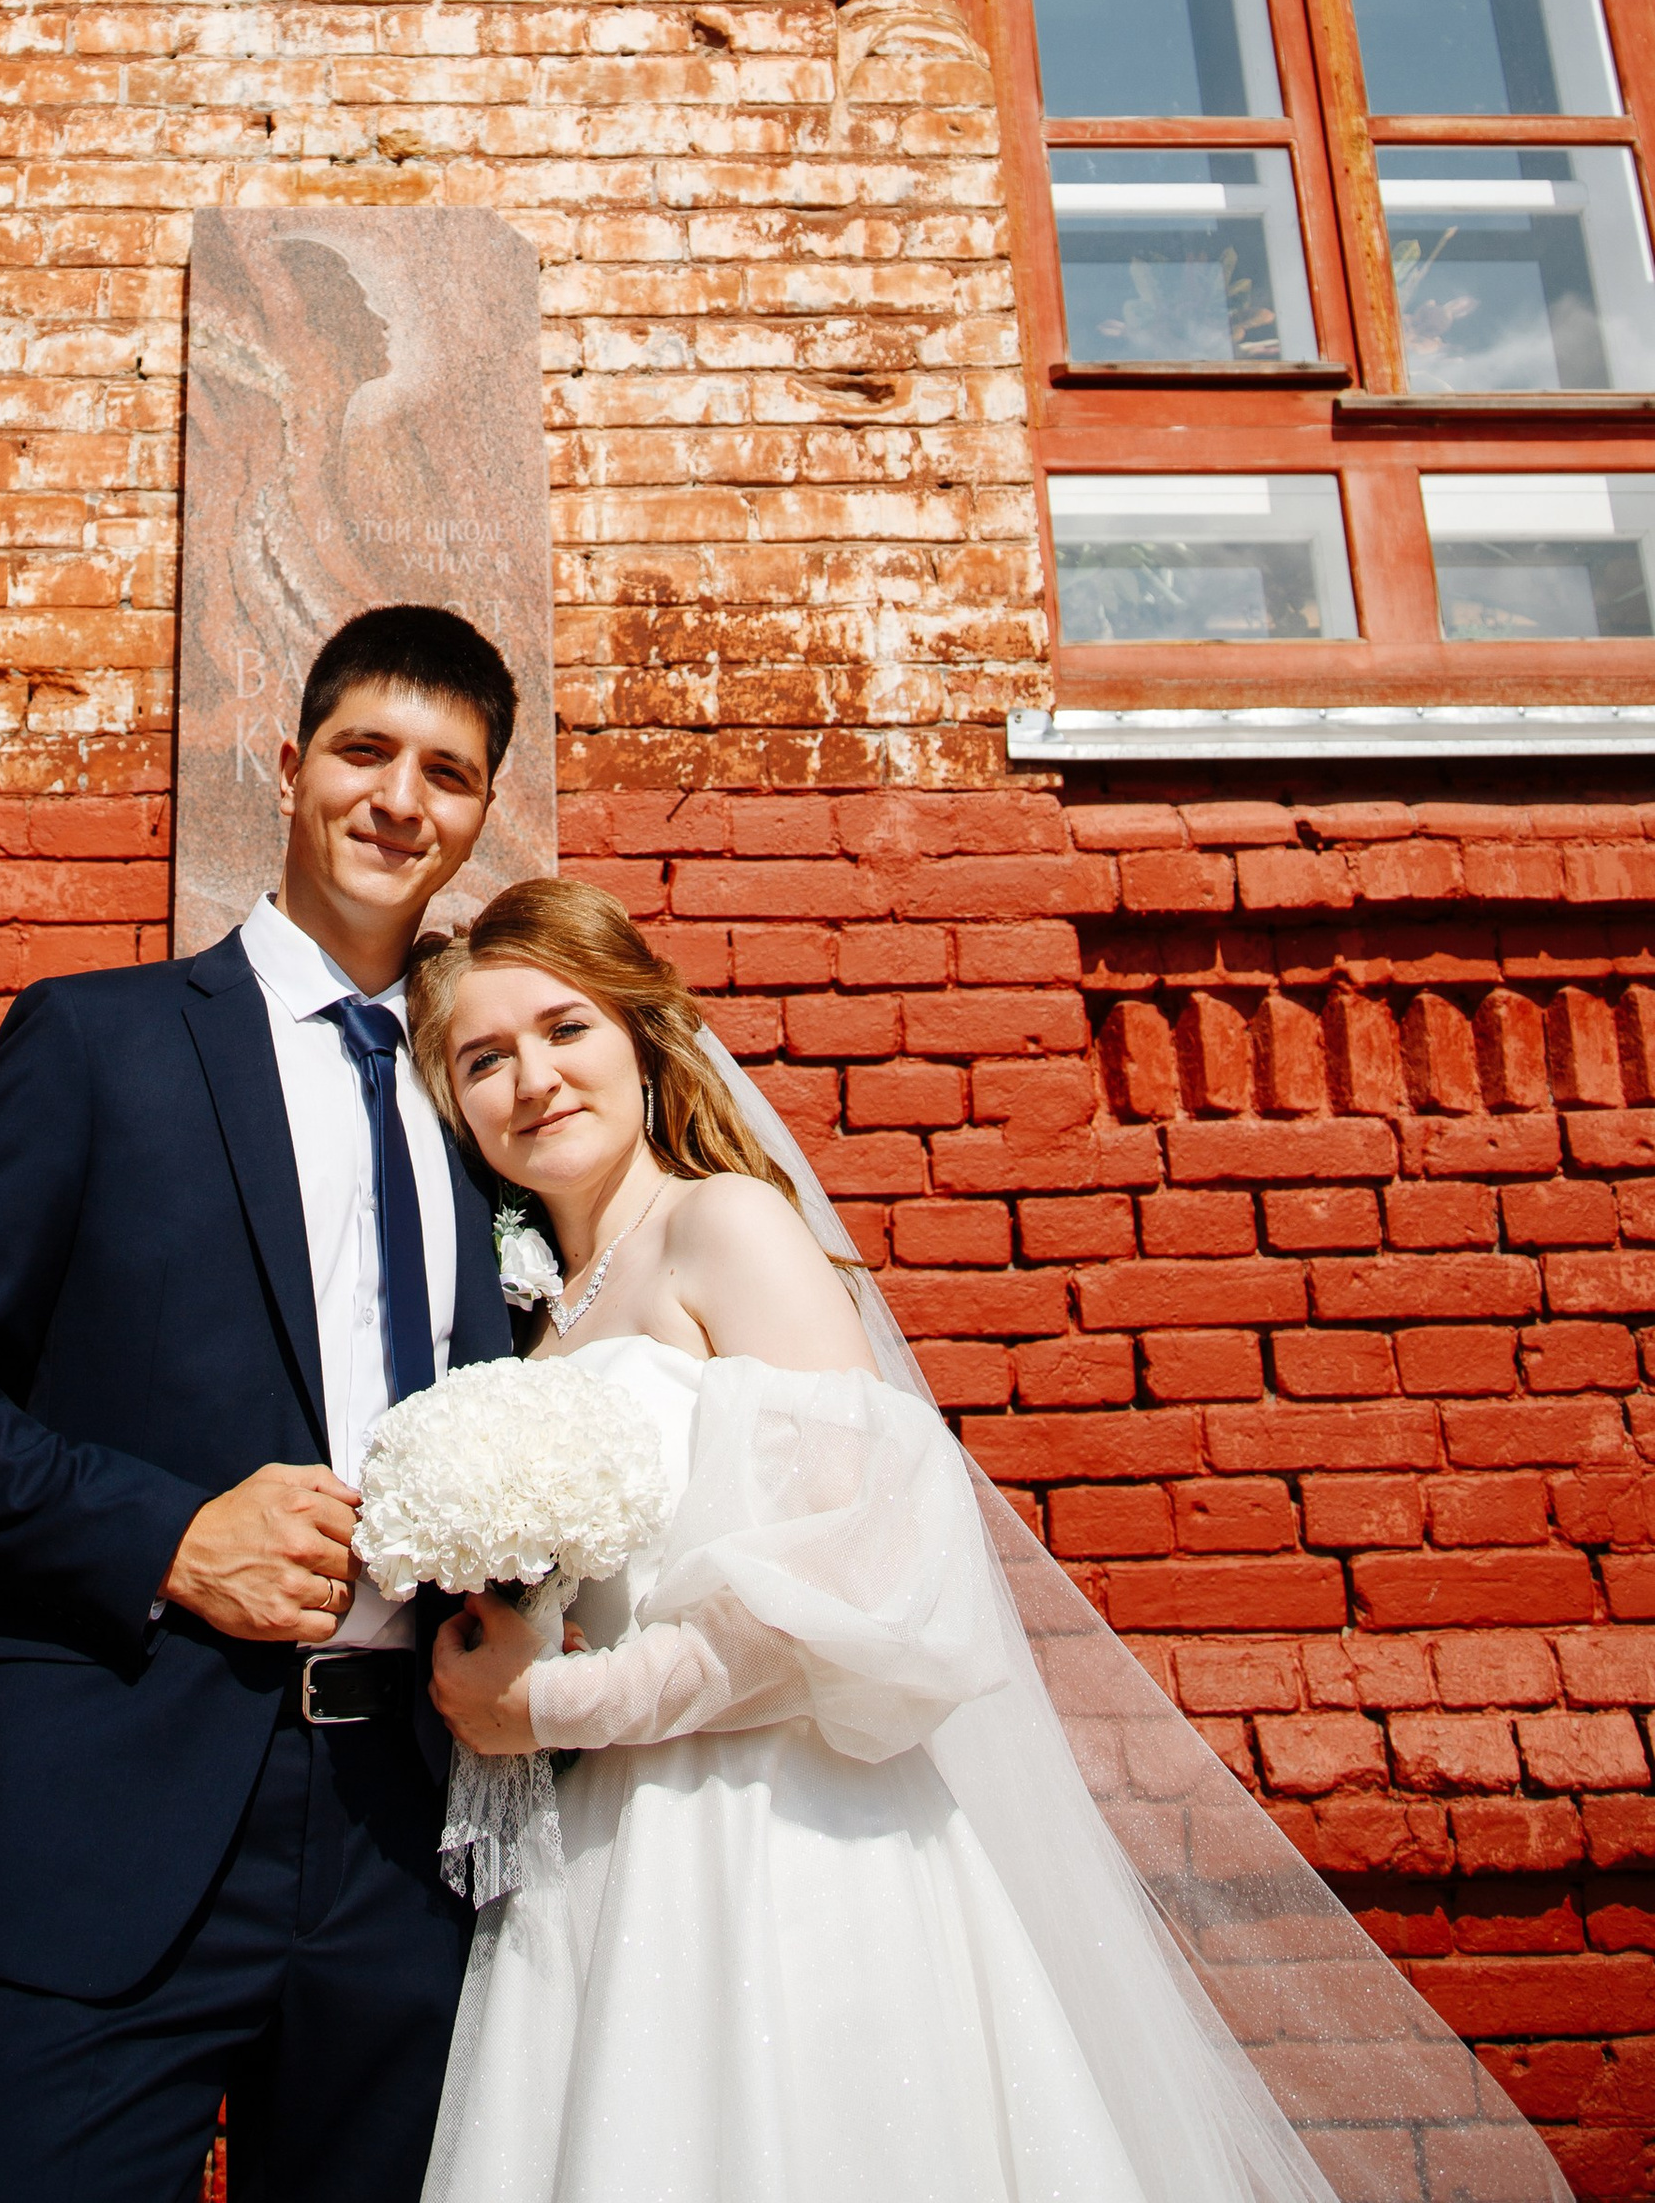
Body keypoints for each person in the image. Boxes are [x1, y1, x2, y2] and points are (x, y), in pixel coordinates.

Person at [405, 880, 1575, 2203]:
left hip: (773, 1831)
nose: (533, 1080)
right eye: (483, 1059)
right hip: (608, 1857)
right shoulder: (549, 1319)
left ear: (637, 1033)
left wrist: (555, 1698)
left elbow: (851, 1574)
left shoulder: (723, 1225)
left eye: (565, 1030)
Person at [0, 602, 521, 2203]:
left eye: (448, 773)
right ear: (287, 767)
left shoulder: (484, 1097)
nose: (400, 799)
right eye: (364, 752)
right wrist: (169, 1535)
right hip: (104, 1810)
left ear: (482, 815)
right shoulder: (100, 1043)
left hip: (409, 1840)